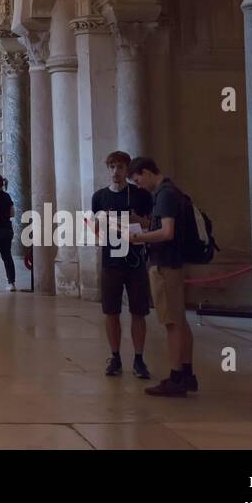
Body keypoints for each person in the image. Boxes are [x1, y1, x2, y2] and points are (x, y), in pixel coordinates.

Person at [129, 157, 197, 397]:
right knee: (180, 320)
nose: (139, 186)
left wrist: (138, 237)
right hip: (172, 262)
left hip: (165, 265)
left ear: (146, 172)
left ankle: (176, 377)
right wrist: (144, 224)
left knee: (171, 322)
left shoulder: (165, 194)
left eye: (138, 180)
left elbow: (167, 233)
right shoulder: (170, 192)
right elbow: (165, 227)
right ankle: (187, 374)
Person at [91, 151, 152, 380]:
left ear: (127, 171)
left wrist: (139, 220)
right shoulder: (99, 197)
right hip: (111, 261)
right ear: (108, 169)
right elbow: (94, 233)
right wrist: (100, 221)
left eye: (120, 167)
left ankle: (138, 358)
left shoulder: (140, 195)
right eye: (112, 167)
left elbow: (152, 225)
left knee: (138, 311)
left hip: (135, 260)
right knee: (111, 311)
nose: (116, 171)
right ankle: (115, 356)